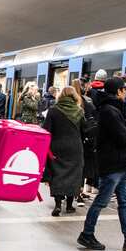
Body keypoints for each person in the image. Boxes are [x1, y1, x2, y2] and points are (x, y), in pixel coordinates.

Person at [76, 78, 126, 251]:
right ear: (118, 91)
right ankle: (87, 234)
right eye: (124, 90)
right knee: (101, 201)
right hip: (113, 165)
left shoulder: (119, 108)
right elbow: (123, 137)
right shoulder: (109, 111)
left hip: (123, 163)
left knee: (124, 203)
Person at [44, 86, 89, 215]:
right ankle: (69, 206)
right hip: (75, 147)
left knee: (58, 174)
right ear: (74, 96)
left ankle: (58, 205)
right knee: (73, 175)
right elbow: (85, 130)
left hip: (57, 147)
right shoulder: (79, 111)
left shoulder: (53, 110)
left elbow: (46, 130)